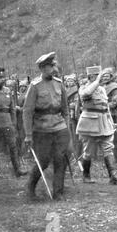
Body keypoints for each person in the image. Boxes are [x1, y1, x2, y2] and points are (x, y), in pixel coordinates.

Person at [23, 52, 70, 201]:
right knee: (42, 161)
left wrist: (66, 128)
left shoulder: (59, 83)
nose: (53, 69)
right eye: (49, 67)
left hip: (59, 128)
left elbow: (65, 109)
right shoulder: (35, 86)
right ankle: (30, 188)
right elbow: (27, 111)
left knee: (60, 159)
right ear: (42, 69)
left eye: (53, 66)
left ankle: (58, 192)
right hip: (42, 130)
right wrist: (28, 134)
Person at [76, 66, 117, 185]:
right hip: (90, 123)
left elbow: (106, 106)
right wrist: (97, 81)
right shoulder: (84, 87)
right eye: (98, 75)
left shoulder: (102, 89)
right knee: (88, 151)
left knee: (108, 148)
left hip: (104, 121)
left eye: (101, 75)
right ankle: (86, 175)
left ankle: (113, 175)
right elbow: (86, 94)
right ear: (91, 77)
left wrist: (110, 121)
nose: (102, 77)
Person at [102, 69, 117, 161]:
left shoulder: (114, 87)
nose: (105, 78)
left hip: (113, 114)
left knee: (114, 135)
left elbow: (116, 102)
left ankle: (115, 156)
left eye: (107, 76)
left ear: (111, 77)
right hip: (103, 114)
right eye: (104, 76)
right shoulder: (101, 86)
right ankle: (107, 155)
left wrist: (104, 105)